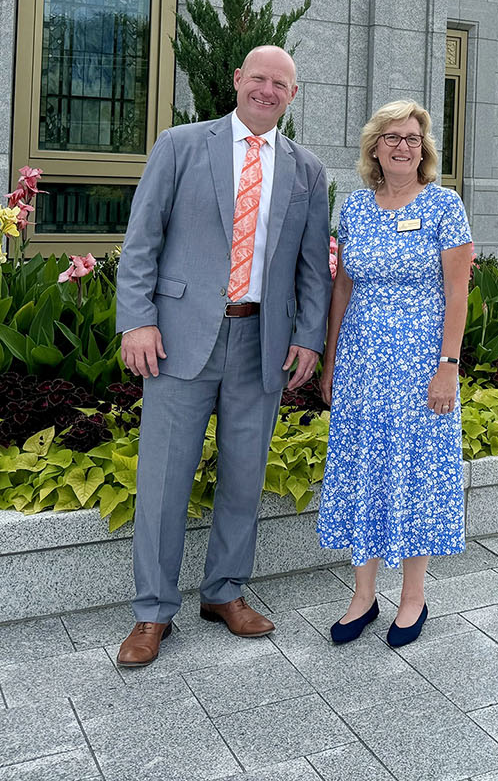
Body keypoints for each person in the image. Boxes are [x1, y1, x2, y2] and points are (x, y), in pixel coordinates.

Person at [113, 46, 331, 667]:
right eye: (258, 78)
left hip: (261, 341)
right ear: (238, 81)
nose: (267, 89)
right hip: (179, 338)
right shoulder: (180, 145)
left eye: (280, 83)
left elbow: (314, 269)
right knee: (163, 481)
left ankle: (224, 592)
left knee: (243, 475)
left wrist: (309, 337)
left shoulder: (306, 170)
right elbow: (141, 243)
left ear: (293, 94)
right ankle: (153, 612)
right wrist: (138, 322)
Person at [317, 100, 473, 647]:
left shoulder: (443, 206)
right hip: (362, 363)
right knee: (365, 468)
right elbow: (343, 287)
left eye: (413, 137)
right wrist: (332, 359)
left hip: (420, 365)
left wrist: (448, 367)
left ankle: (413, 597)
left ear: (424, 149)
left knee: (415, 474)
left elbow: (458, 294)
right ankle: (363, 595)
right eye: (392, 137)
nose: (403, 146)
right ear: (374, 148)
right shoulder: (357, 208)